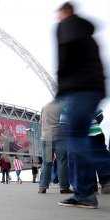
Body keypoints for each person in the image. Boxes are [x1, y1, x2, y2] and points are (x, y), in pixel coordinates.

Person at [55, 3, 106, 208]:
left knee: (76, 143)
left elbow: (64, 58)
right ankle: (84, 194)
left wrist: (61, 87)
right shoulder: (89, 35)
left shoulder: (66, 26)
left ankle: (84, 193)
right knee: (79, 142)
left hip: (79, 89)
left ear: (66, 12)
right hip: (93, 89)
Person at [38, 101, 71, 194]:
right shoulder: (63, 106)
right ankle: (64, 187)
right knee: (62, 161)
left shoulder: (45, 106)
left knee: (47, 162)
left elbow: (41, 122)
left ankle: (42, 187)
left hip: (46, 137)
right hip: (59, 137)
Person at [89, 110, 110, 193]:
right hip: (97, 132)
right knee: (101, 157)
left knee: (87, 161)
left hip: (82, 135)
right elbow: (100, 115)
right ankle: (107, 183)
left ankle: (92, 187)